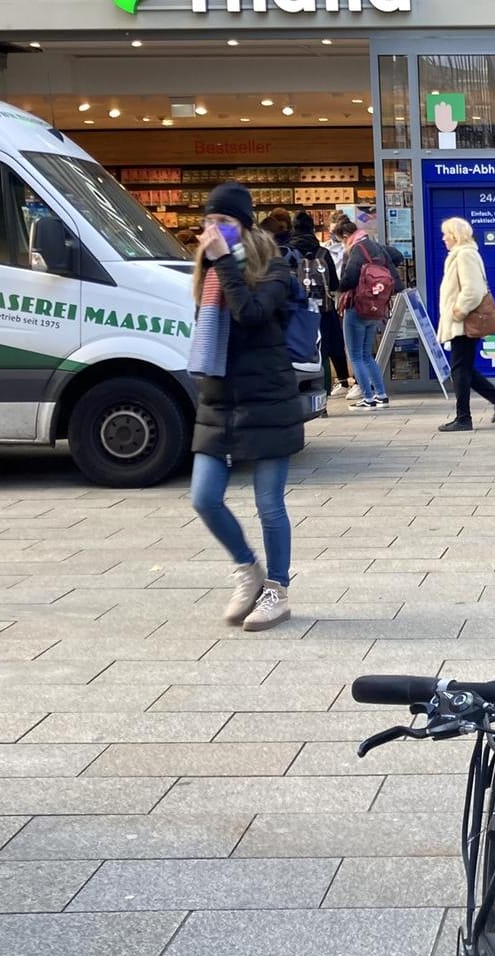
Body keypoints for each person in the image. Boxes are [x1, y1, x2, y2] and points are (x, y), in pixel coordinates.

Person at [187, 183, 304, 632]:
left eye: (226, 223)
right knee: (204, 497)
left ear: (246, 227)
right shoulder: (209, 273)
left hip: (268, 398)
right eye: (210, 223)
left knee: (269, 503)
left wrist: (223, 261)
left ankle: (277, 589)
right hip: (220, 401)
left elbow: (252, 315)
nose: (214, 231)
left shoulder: (274, 269)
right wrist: (216, 265)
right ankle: (247, 569)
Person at [435, 216, 495, 432]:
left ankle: (464, 418)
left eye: (446, 234)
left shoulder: (465, 255)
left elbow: (473, 290)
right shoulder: (462, 254)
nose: (443, 239)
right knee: (463, 368)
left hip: (464, 322)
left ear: (455, 236)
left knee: (460, 368)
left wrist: (458, 312)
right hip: (462, 322)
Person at [332, 210, 398, 410]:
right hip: (375, 307)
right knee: (367, 354)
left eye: (340, 240)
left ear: (345, 236)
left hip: (357, 307)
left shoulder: (356, 249)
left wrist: (337, 288)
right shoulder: (373, 245)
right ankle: (381, 395)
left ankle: (368, 398)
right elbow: (396, 257)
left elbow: (350, 278)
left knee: (356, 355)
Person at [286, 211, 350, 398]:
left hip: (298, 310)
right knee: (327, 347)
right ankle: (326, 390)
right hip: (323, 308)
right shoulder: (323, 251)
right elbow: (335, 284)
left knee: (303, 347)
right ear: (312, 229)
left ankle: (301, 388)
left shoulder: (289, 251)